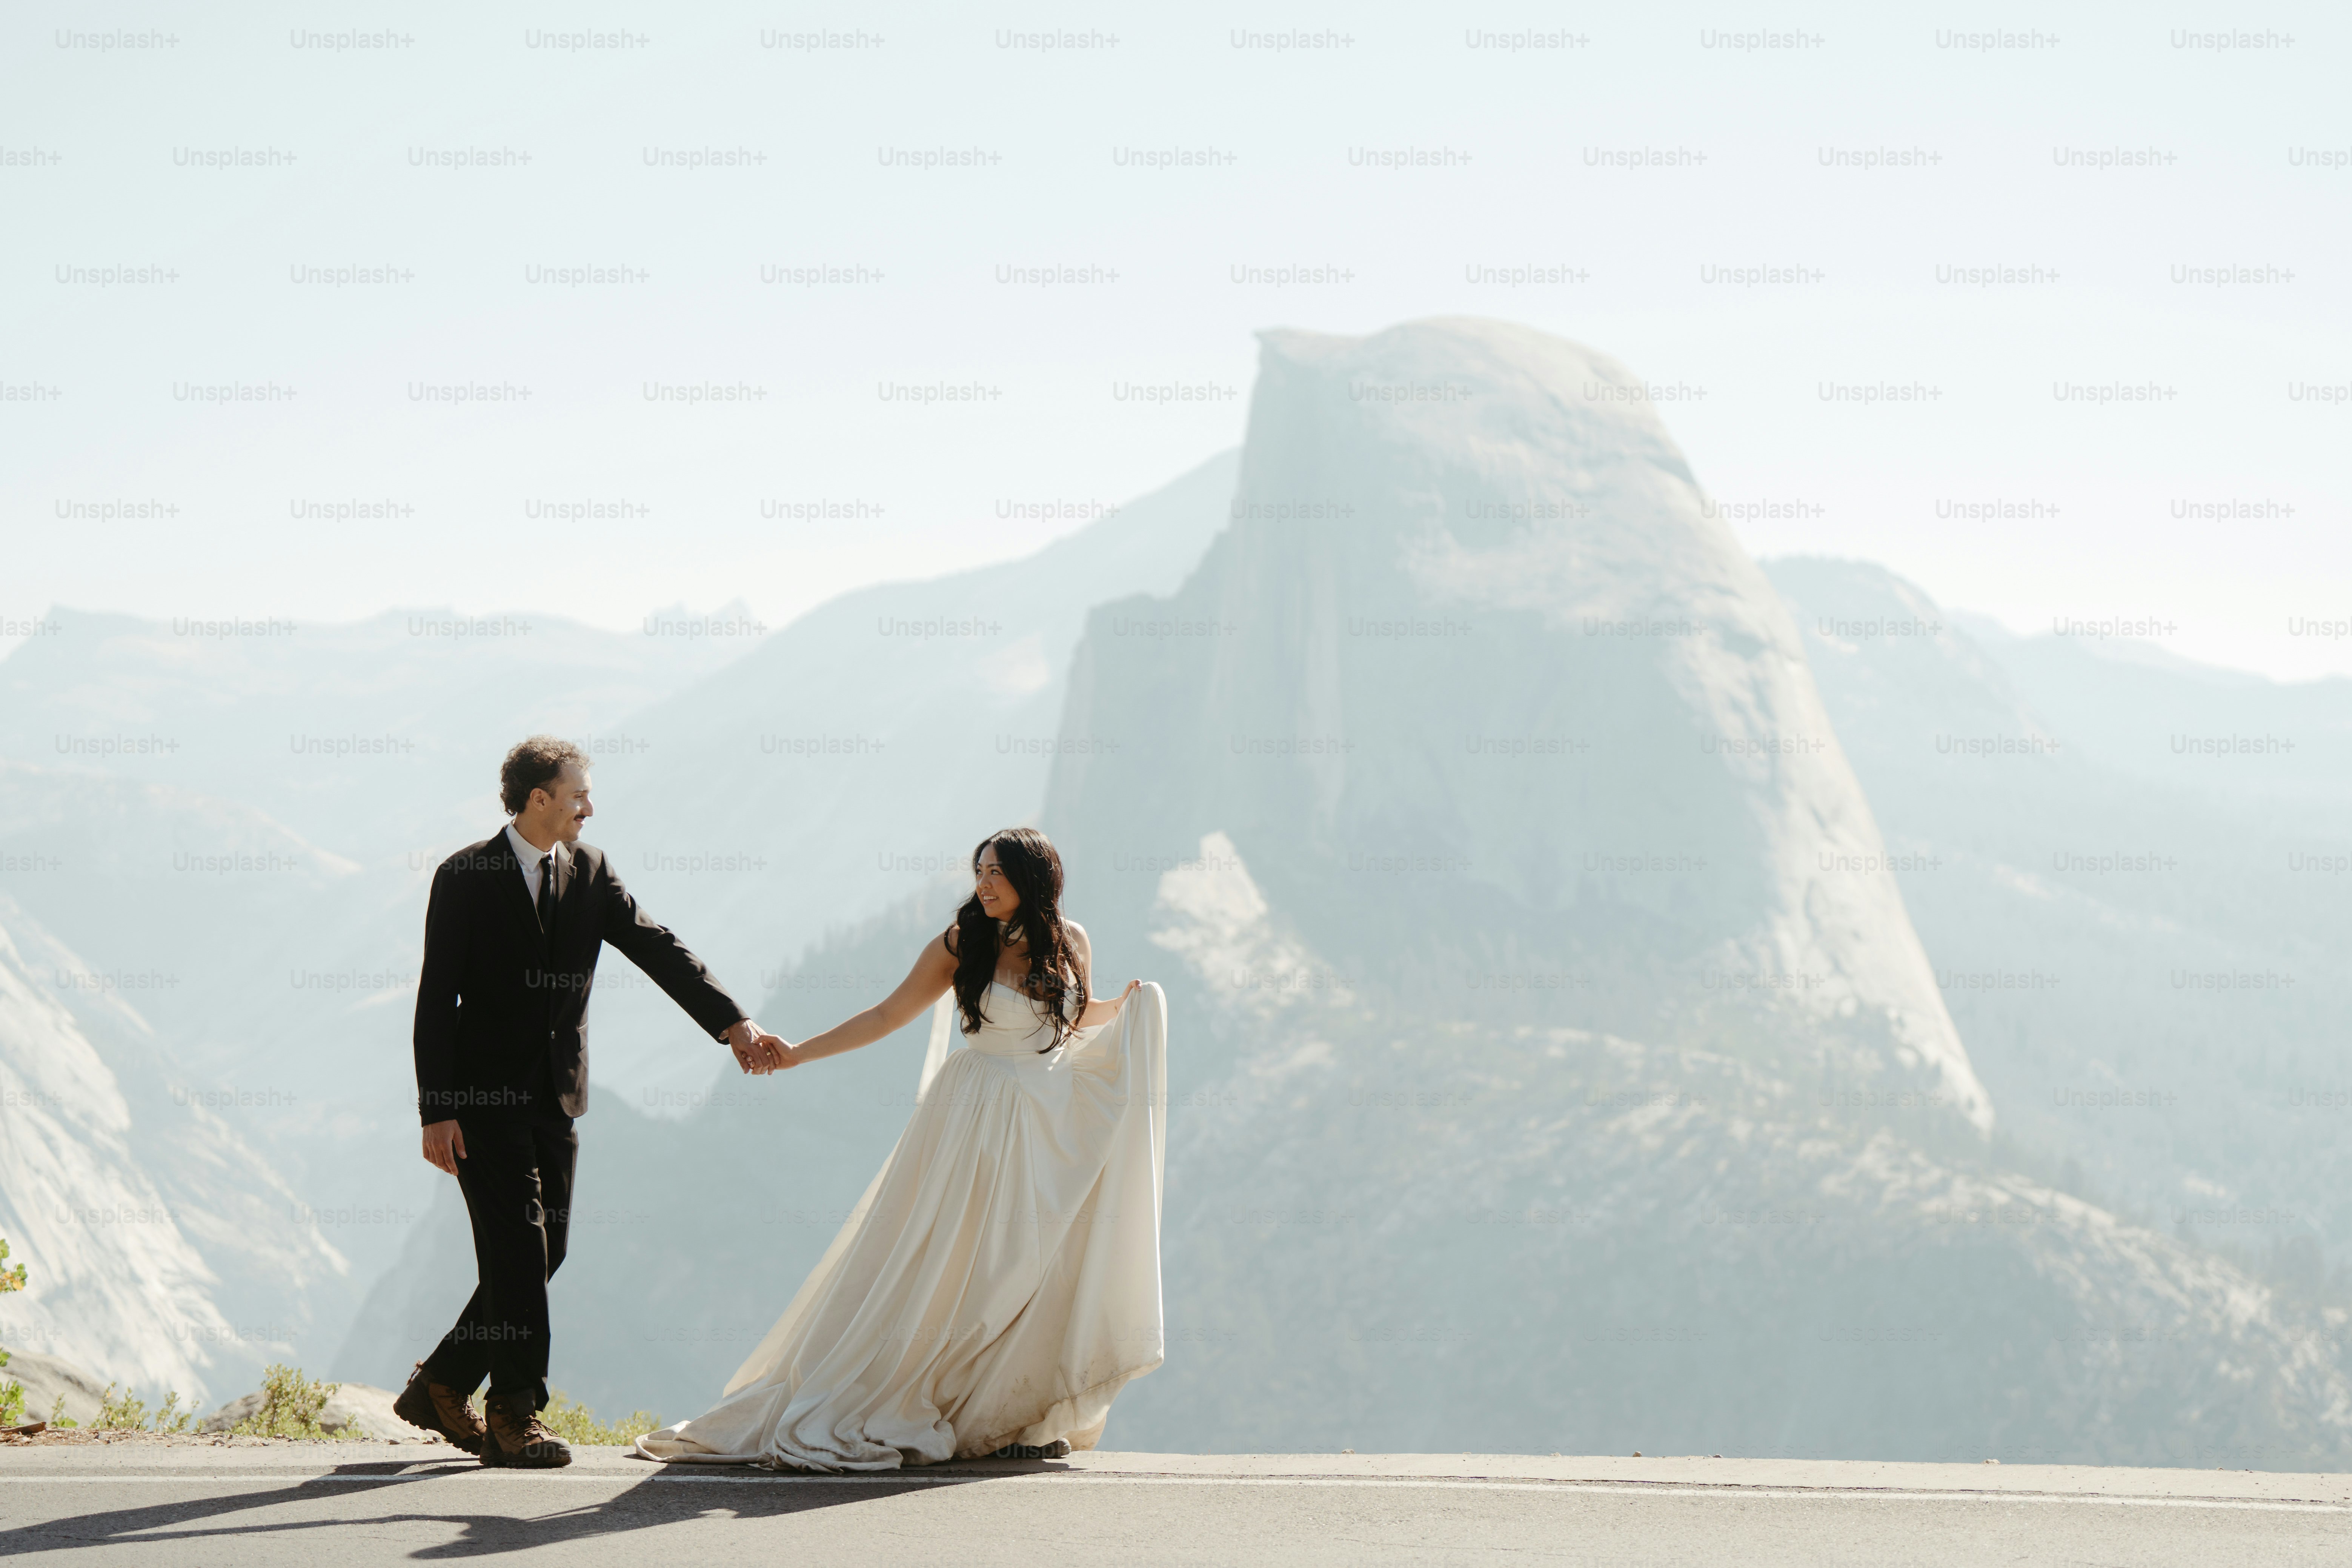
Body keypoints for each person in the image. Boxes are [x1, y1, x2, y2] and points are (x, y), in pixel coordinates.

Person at [636, 826, 1167, 1470]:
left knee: (1035, 1266)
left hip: (1048, 1124)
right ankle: (929, 1397)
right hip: (975, 1120)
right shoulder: (961, 942)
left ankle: (1009, 1414)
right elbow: (887, 1016)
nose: (984, 883)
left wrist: (1129, 1009)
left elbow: (1072, 1017)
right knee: (964, 1266)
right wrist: (798, 1054)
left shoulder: (1069, 941)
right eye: (981, 870)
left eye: (998, 872)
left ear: (1036, 877)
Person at [396, 736, 787, 1467]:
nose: (590, 806)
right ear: (538, 797)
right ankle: (515, 1413)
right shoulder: (465, 876)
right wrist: (436, 1108)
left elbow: (655, 945)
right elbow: (436, 997)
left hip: (559, 1095)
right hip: (482, 1101)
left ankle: (443, 1381)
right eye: (578, 793)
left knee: (548, 1249)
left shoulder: (592, 870)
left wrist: (732, 1022)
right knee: (518, 1247)